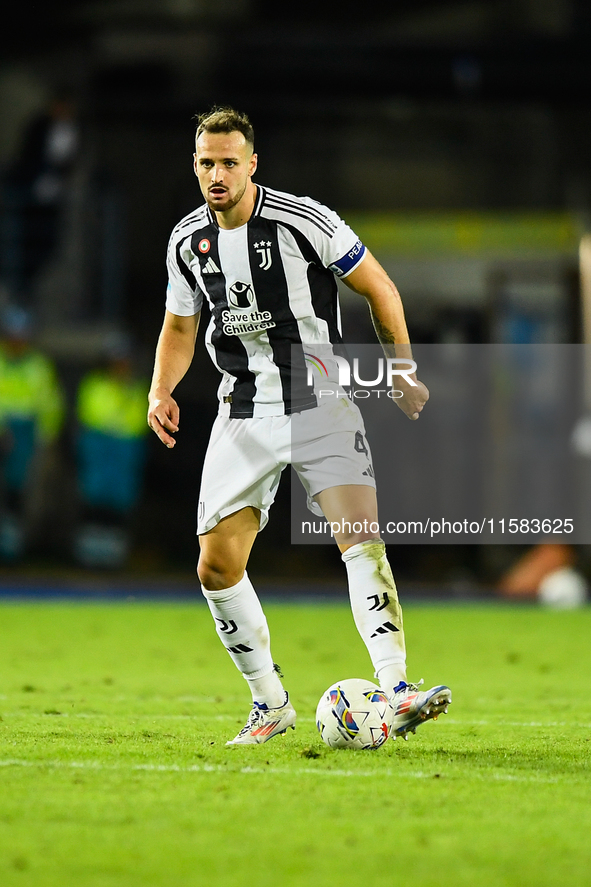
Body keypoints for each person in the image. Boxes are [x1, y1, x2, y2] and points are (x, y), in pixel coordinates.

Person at [148, 107, 451, 745]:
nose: (217, 174)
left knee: (358, 537)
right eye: (207, 162)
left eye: (230, 162)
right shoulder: (185, 241)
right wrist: (161, 389)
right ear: (195, 165)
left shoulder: (303, 220)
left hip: (321, 405)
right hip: (242, 413)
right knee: (214, 567)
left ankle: (398, 689)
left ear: (252, 163)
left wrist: (401, 368)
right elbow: (180, 325)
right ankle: (270, 705)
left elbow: (380, 287)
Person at [74, 333, 149, 568]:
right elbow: (88, 413)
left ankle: (113, 557)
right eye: (117, 360)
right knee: (94, 499)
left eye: (125, 360)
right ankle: (89, 554)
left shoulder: (137, 388)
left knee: (120, 503)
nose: (121, 365)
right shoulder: (95, 384)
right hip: (99, 447)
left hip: (124, 451)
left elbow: (141, 420)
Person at [0, 305, 64, 559]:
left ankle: (10, 549)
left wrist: (46, 438)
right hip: (5, 429)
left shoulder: (39, 366)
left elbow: (50, 403)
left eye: (21, 336)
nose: (17, 341)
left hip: (26, 434)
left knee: (18, 491)